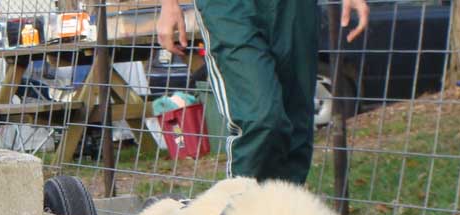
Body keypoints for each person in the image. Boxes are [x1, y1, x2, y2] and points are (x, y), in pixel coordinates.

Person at [157, 0, 369, 184]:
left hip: (295, 8)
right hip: (229, 8)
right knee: (260, 119)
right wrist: (169, 5)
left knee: (297, 128)